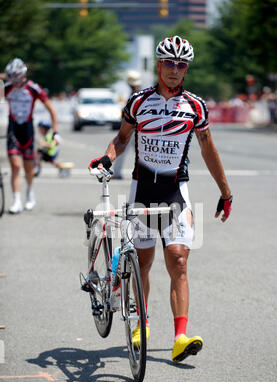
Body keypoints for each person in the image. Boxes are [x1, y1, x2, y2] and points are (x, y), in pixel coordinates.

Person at [88, 36, 233, 363]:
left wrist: (225, 192)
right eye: (169, 63)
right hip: (143, 190)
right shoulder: (139, 102)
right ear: (158, 65)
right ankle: (142, 323)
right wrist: (107, 158)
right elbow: (122, 139)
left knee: (179, 260)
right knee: (142, 262)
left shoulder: (195, 106)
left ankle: (180, 337)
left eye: (181, 65)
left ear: (186, 69)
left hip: (175, 191)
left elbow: (208, 150)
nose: (175, 70)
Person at [3, 58, 58, 213]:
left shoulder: (34, 88)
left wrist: (55, 132)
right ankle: (16, 200)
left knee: (28, 169)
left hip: (27, 131)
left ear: (21, 75)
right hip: (13, 130)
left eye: (14, 77)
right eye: (10, 77)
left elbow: (51, 110)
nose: (12, 81)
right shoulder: (6, 88)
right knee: (15, 166)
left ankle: (29, 192)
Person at [112, 70, 142, 179]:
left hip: (132, 127)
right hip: (139, 128)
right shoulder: (141, 94)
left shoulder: (134, 95)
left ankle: (117, 172)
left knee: (122, 149)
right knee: (141, 153)